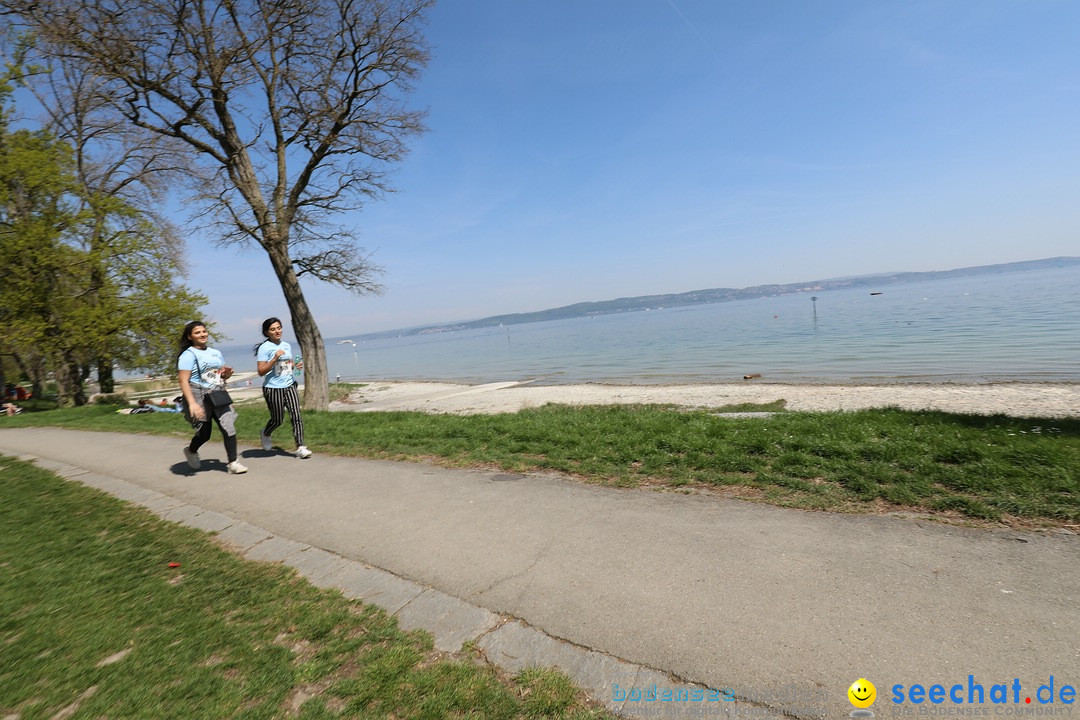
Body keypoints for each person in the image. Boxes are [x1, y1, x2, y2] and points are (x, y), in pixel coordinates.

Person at [177, 320, 247, 473]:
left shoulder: (215, 353)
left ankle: (233, 463)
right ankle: (191, 450)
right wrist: (192, 404)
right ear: (190, 336)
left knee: (228, 426)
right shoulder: (188, 355)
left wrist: (227, 374)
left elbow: (220, 375)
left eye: (204, 331)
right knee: (204, 433)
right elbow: (183, 380)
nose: (202, 334)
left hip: (217, 392)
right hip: (198, 394)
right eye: (197, 332)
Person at [254, 317, 312, 458]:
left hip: (289, 384)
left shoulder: (286, 345)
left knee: (296, 415)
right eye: (273, 329)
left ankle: (300, 447)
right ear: (267, 332)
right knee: (277, 419)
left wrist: (293, 366)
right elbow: (261, 371)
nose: (277, 331)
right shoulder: (264, 348)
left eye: (279, 328)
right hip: (273, 388)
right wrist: (274, 359)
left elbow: (284, 365)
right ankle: (266, 432)